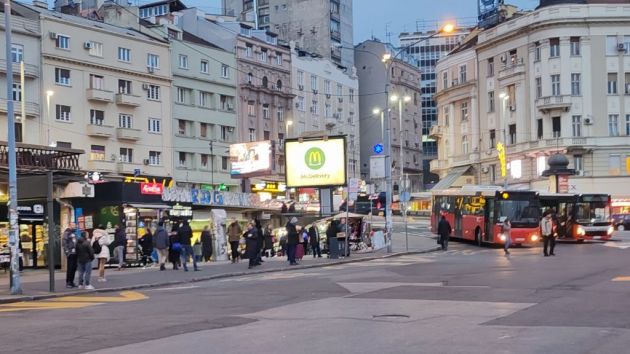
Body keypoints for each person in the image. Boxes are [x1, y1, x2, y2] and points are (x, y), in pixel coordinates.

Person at [62, 224, 78, 288]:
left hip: (75, 253)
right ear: (70, 226)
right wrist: (67, 252)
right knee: (70, 268)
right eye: (74, 226)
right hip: (70, 253)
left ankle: (71, 282)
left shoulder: (74, 233)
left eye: (75, 226)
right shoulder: (67, 233)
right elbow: (64, 243)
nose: (75, 227)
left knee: (74, 268)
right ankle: (68, 282)